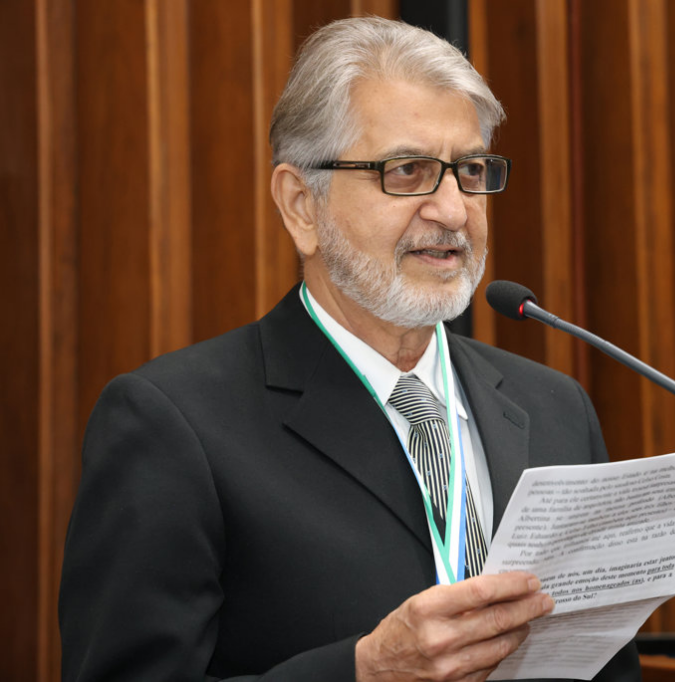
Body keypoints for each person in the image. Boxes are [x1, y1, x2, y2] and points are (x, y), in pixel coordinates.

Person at [59, 16, 640, 682]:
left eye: (470, 170)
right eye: (408, 170)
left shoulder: (556, 410)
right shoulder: (172, 425)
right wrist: (363, 672)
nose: (453, 210)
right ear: (301, 205)